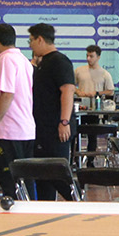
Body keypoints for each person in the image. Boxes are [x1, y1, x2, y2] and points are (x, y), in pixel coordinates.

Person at [0, 23, 35, 208]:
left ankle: (16, 218)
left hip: (8, 131)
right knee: (24, 183)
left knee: (11, 185)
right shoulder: (23, 60)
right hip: (23, 130)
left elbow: (7, 93)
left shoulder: (6, 60)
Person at [28, 24, 78, 200]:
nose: (30, 45)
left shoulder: (59, 61)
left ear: (40, 39)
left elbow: (68, 90)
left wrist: (64, 121)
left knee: (57, 174)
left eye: (31, 40)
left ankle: (79, 203)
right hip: (42, 129)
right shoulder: (42, 63)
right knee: (43, 177)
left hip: (56, 130)